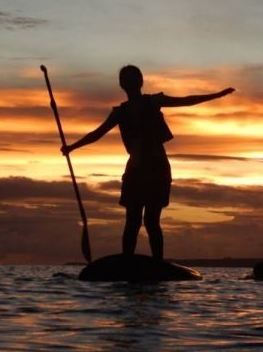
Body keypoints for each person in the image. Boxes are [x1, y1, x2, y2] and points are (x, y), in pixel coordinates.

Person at [61, 65, 234, 260]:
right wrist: (72, 147)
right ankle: (127, 262)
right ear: (122, 84)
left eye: (133, 78)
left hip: (157, 169)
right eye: (126, 79)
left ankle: (157, 263)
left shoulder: (153, 101)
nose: (131, 82)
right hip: (135, 170)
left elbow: (185, 101)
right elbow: (97, 133)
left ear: (140, 81)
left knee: (151, 221)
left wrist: (217, 95)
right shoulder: (120, 112)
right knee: (132, 221)